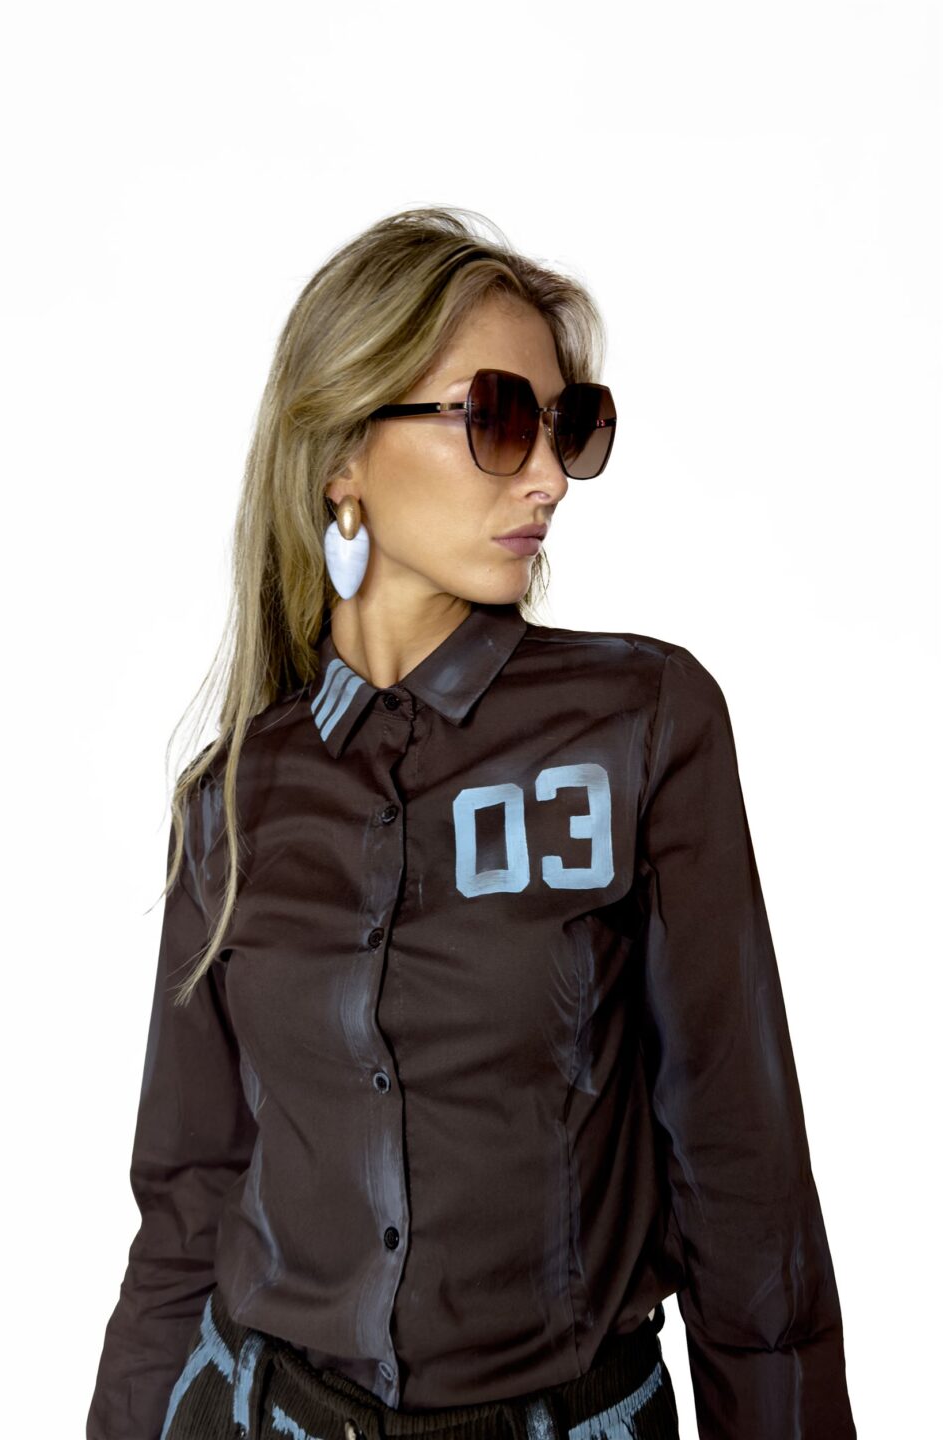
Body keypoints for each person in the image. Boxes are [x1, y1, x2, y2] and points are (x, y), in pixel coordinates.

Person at [86, 206, 856, 1440]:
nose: (547, 474)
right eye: (497, 419)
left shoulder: (642, 724)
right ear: (343, 456)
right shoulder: (232, 799)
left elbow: (745, 1186)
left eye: (568, 426)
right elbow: (187, 1210)